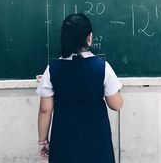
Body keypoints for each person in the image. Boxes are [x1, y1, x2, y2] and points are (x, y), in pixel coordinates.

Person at [36, 13, 123, 163]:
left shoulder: (52, 70)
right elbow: (116, 105)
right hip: (97, 138)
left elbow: (45, 110)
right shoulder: (102, 67)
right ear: (89, 38)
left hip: (64, 137)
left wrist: (43, 141)